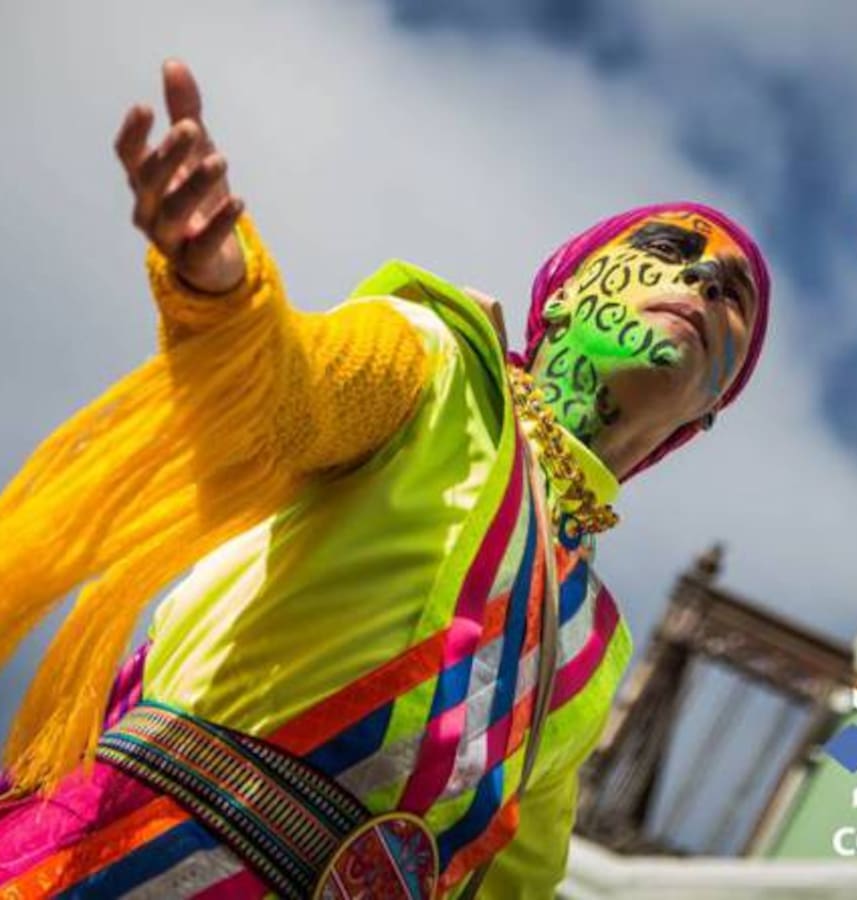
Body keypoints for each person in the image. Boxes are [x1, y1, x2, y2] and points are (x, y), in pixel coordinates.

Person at [0, 59, 770, 898]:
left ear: (708, 413)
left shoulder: (595, 645)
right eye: (665, 252)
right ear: (557, 299)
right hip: (115, 860)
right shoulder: (436, 362)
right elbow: (287, 394)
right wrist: (223, 289)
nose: (698, 280)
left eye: (731, 295)